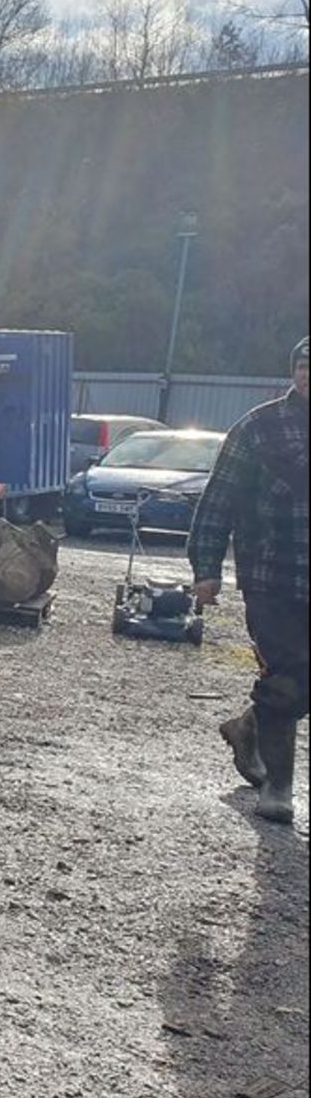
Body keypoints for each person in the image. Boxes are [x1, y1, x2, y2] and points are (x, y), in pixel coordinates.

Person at [189, 334, 310, 826]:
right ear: (294, 373)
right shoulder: (259, 428)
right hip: (271, 574)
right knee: (286, 676)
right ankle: (279, 787)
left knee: (302, 679)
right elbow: (219, 500)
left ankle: (247, 727)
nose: (309, 374)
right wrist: (206, 569)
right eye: (303, 366)